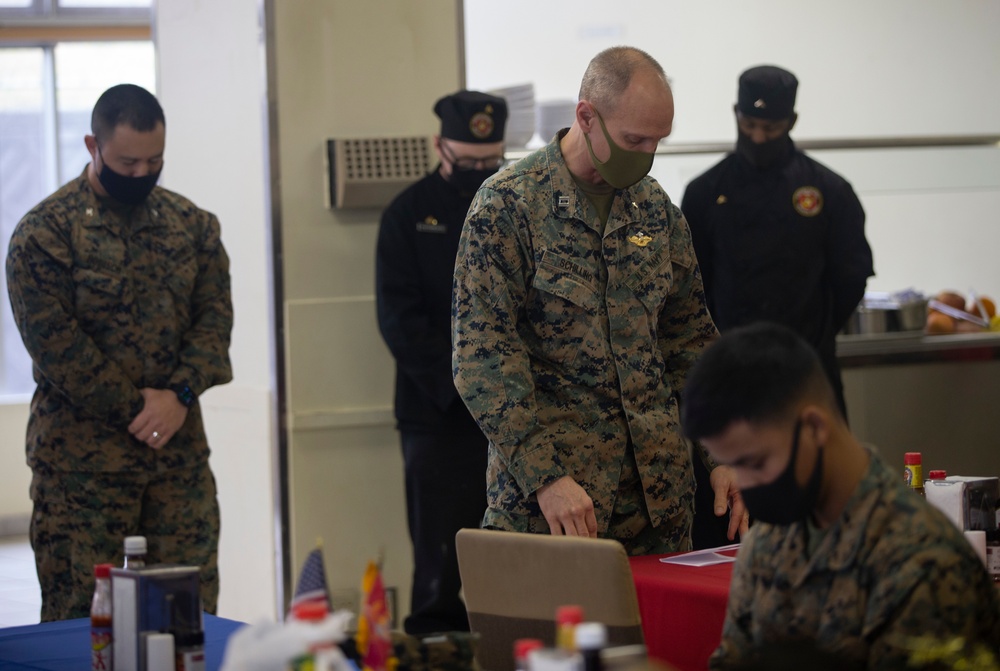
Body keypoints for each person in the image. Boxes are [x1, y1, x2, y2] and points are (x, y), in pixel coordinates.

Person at [452, 46, 746, 556]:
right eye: (634, 139)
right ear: (586, 117)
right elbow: (484, 360)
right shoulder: (508, 207)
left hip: (660, 506)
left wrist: (723, 453)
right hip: (557, 510)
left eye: (658, 141)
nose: (647, 153)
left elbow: (690, 343)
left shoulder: (657, 212)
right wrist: (546, 478)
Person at [6, 84, 232, 621]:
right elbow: (58, 348)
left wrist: (178, 395)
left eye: (154, 161)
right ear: (93, 145)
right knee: (82, 625)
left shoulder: (192, 226)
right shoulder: (45, 234)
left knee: (186, 620)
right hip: (82, 474)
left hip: (175, 464)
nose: (140, 173)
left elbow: (214, 324)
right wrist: (139, 409)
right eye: (127, 161)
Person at [680, 322, 1000, 670]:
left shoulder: (924, 564)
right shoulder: (769, 544)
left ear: (815, 428)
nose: (745, 484)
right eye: (732, 466)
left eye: (755, 462)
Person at [376, 90, 507, 634]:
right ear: (439, 147)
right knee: (440, 561)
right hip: (438, 412)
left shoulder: (514, 206)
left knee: (512, 555)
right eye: (468, 162)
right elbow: (400, 318)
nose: (479, 173)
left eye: (490, 163)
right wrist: (462, 385)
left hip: (511, 412)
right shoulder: (409, 212)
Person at [681, 65, 874, 418]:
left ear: (792, 121)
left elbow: (852, 276)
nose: (757, 138)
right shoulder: (704, 192)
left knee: (817, 470)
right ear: (735, 114)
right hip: (729, 369)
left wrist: (814, 333)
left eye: (770, 128)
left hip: (807, 368)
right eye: (749, 125)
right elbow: (692, 285)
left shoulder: (830, 191)